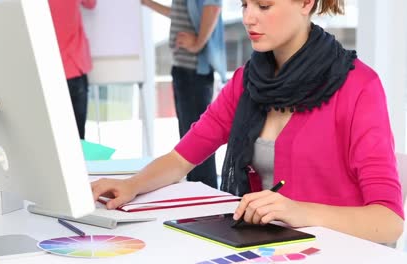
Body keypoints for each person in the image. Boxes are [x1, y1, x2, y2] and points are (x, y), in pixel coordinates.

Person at [91, 0, 404, 243]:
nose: (248, 18)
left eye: (264, 6)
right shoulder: (247, 82)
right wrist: (131, 185)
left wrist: (299, 211)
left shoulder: (359, 86)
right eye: (244, 4)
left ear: (306, 3)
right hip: (267, 248)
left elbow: (389, 222)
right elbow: (180, 159)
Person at [140, 0, 227, 188]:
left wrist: (196, 44)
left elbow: (213, 8)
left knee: (198, 141)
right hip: (182, 68)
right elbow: (180, 14)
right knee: (189, 140)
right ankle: (195, 193)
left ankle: (204, 197)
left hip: (194, 70)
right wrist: (149, 4)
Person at [48, 0, 96, 139]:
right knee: (78, 139)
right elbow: (91, 4)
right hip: (74, 68)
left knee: (53, 136)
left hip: (47, 72)